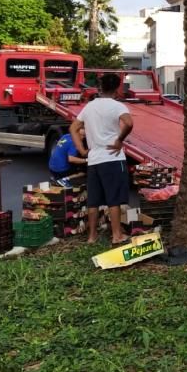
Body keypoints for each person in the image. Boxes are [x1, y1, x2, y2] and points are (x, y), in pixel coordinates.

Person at [70, 73, 133, 245]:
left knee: (94, 200)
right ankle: (117, 235)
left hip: (94, 160)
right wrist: (119, 140)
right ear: (117, 88)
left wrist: (82, 150)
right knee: (114, 199)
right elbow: (128, 123)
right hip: (112, 158)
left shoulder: (89, 107)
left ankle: (91, 237)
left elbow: (73, 128)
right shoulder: (117, 106)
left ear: (100, 87)